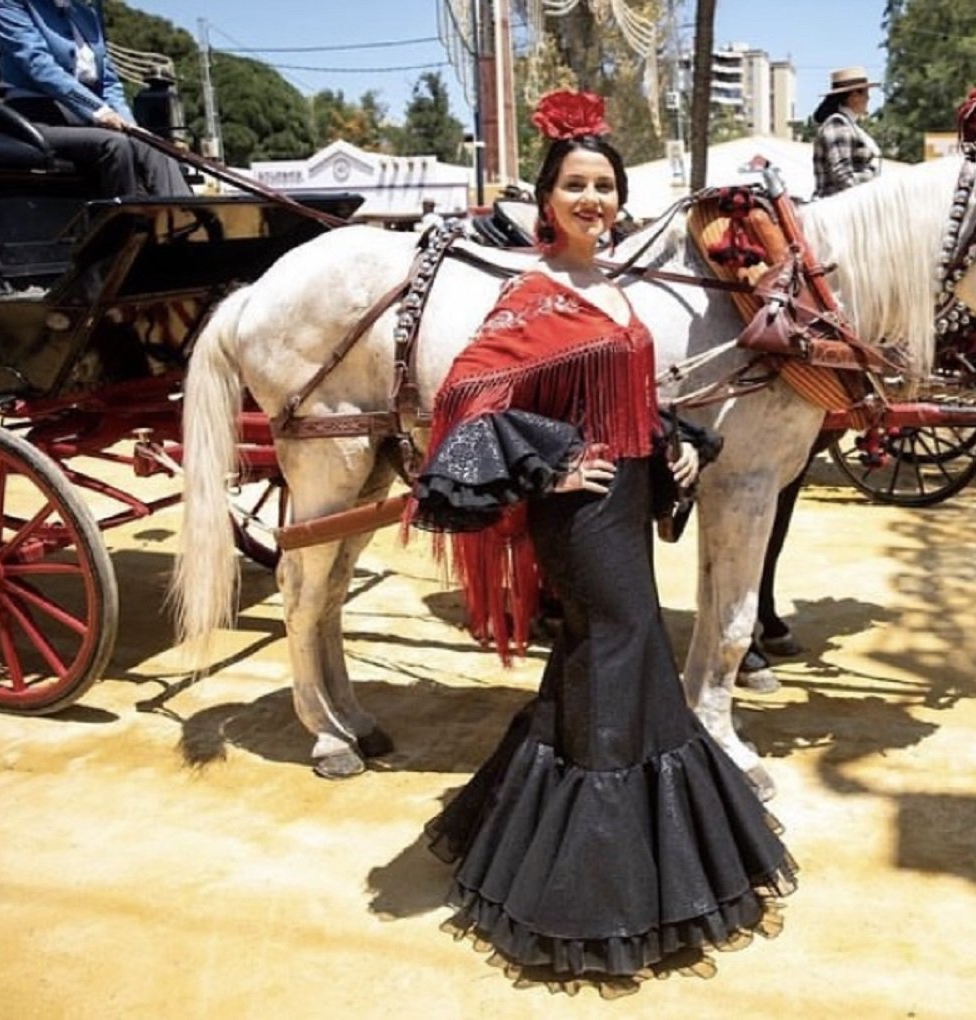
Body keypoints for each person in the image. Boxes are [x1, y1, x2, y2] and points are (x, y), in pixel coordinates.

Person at [409, 90, 795, 990]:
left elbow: (625, 395)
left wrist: (670, 446)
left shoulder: (615, 288)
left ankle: (539, 844)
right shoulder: (530, 295)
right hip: (577, 513)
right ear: (548, 201)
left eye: (606, 187)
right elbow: (467, 396)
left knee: (595, 659)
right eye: (577, 186)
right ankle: (599, 887)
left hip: (623, 496)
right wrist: (547, 463)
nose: (593, 200)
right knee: (625, 643)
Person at [741, 67, 885, 682]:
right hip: (846, 226)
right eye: (864, 89)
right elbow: (846, 186)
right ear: (853, 93)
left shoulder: (845, 124)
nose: (867, 97)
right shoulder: (834, 128)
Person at [0, 0, 190, 198]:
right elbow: (38, 66)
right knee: (116, 144)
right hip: (37, 117)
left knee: (153, 145)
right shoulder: (8, 3)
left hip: (90, 117)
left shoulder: (85, 13)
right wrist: (98, 110)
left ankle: (188, 217)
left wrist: (129, 123)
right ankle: (128, 225)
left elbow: (109, 81)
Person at [811, 66, 882, 198]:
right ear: (854, 95)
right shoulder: (837, 124)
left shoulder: (849, 125)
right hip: (835, 210)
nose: (868, 98)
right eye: (866, 93)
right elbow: (842, 177)